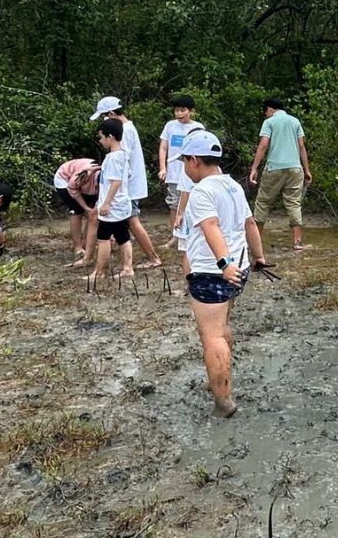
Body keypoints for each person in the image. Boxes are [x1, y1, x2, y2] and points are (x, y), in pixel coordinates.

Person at [179, 130, 271, 417]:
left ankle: (224, 400)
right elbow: (250, 224)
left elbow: (211, 227)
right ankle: (220, 377)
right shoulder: (232, 185)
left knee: (212, 336)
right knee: (222, 325)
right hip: (238, 269)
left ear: (195, 160)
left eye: (184, 160)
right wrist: (259, 258)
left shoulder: (203, 191)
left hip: (214, 272)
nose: (183, 166)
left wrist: (223, 263)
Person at [86, 117, 154, 285]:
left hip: (113, 207)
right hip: (122, 205)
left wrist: (106, 203)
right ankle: (127, 268)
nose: (100, 141)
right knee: (123, 237)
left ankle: (100, 272)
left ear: (110, 137)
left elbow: (116, 181)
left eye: (101, 137)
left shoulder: (114, 157)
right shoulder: (121, 155)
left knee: (103, 239)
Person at [248, 97, 313, 251]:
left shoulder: (269, 122)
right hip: (295, 168)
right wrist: (306, 170)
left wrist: (254, 168)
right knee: (293, 203)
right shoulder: (295, 121)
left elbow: (263, 144)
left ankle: (255, 243)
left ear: (269, 109)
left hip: (274, 167)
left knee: (263, 202)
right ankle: (297, 242)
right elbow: (302, 146)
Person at [158, 95, 206, 249]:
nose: (179, 114)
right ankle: (175, 236)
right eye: (176, 110)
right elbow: (163, 147)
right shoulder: (170, 126)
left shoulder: (198, 127)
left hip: (192, 173)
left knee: (193, 203)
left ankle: (194, 234)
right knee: (174, 204)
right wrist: (163, 168)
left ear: (191, 111)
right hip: (173, 173)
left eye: (182, 110)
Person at [53, 156, 100, 261]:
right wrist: (85, 208)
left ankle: (86, 242)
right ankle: (77, 247)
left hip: (86, 185)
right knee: (77, 210)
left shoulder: (108, 177)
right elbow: (73, 189)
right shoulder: (82, 176)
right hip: (65, 180)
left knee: (94, 212)